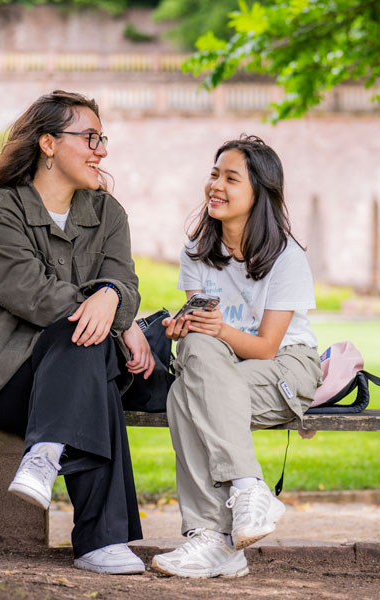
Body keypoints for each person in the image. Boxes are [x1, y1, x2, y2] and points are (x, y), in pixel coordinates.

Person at [0, 90, 154, 575]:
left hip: (73, 372)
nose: (102, 149)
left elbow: (127, 283)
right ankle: (101, 541)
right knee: (86, 344)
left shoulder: (107, 214)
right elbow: (29, 294)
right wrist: (117, 317)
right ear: (48, 143)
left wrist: (116, 298)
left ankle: (46, 452)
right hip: (0, 377)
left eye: (102, 137)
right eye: (89, 137)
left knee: (89, 360)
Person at [151, 136, 322, 578]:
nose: (216, 186)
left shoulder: (286, 256)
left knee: (186, 399)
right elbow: (205, 342)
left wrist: (217, 330)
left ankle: (211, 537)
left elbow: (266, 345)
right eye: (214, 174)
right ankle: (245, 494)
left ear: (259, 192)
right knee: (193, 360)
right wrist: (186, 327)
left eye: (231, 178)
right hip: (223, 368)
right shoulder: (196, 253)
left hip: (286, 367)